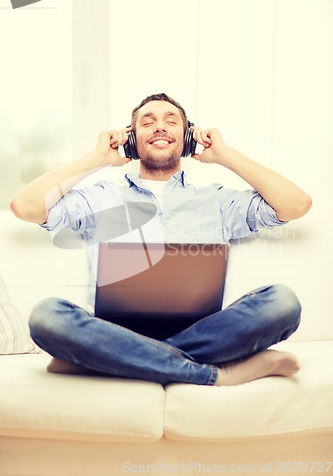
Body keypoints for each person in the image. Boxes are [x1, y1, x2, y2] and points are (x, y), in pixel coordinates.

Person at [10, 93, 312, 387]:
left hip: (203, 331)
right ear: (131, 140)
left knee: (282, 302)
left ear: (187, 138)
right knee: (47, 317)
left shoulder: (216, 201)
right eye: (147, 122)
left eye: (171, 121)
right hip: (113, 330)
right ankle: (215, 374)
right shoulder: (101, 198)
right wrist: (96, 159)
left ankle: (108, 361)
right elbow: (25, 207)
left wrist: (224, 155)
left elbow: (295, 204)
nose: (159, 126)